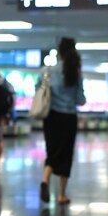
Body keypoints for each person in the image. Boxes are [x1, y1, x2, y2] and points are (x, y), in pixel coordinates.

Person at [39, 37, 86, 205]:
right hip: (68, 118)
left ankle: (45, 179)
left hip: (50, 117)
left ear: (59, 52)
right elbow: (81, 100)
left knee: (52, 151)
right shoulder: (75, 71)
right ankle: (61, 195)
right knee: (65, 154)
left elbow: (39, 90)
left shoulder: (47, 71)